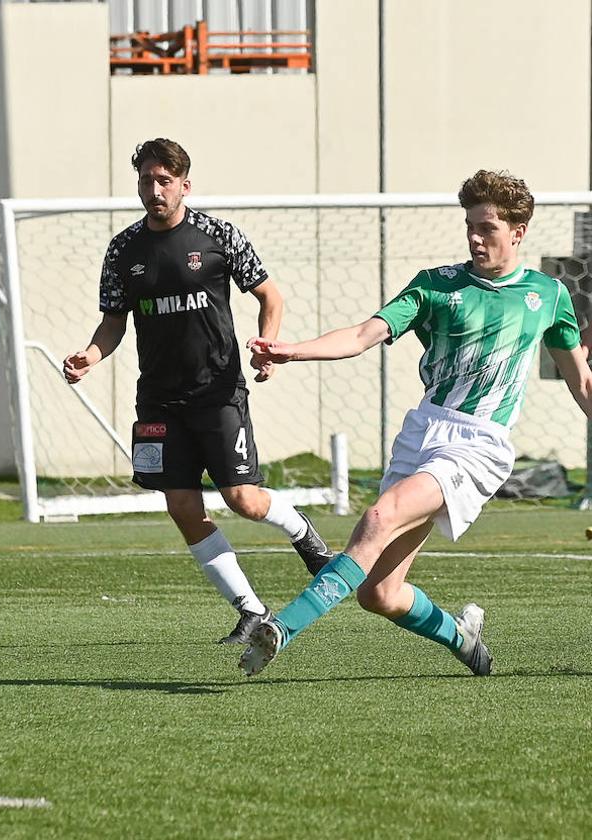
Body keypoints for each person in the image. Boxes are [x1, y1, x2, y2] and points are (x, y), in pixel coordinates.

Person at [240, 169, 592, 677]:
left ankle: (282, 628)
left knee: (379, 517)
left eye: (488, 228)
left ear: (518, 232)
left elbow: (581, 384)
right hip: (423, 432)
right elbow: (363, 334)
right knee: (379, 593)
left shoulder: (547, 296)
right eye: (470, 226)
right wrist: (293, 350)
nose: (475, 237)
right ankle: (461, 636)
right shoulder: (435, 285)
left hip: (480, 444)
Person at [62, 138, 333, 645]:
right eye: (146, 179)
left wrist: (267, 346)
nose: (154, 189)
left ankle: (308, 541)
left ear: (185, 184)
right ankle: (250, 609)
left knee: (244, 500)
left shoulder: (217, 235)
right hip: (159, 400)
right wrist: (90, 357)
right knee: (182, 506)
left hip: (219, 392)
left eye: (164, 180)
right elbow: (113, 324)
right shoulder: (123, 250)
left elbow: (269, 295)